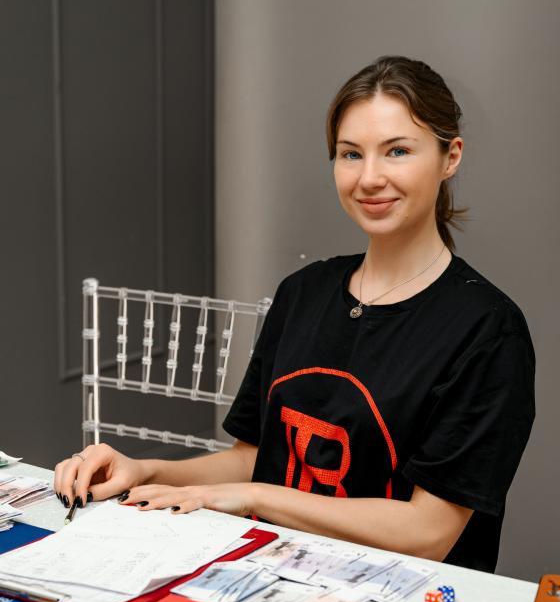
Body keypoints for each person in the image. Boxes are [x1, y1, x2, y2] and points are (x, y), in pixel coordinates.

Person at [54, 55, 535, 573]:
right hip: (272, 579)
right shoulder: (303, 292)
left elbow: (428, 534)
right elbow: (253, 460)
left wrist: (256, 497)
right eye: (350, 154)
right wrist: (144, 470)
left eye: (397, 151)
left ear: (449, 157)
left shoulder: (488, 330)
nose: (369, 177)